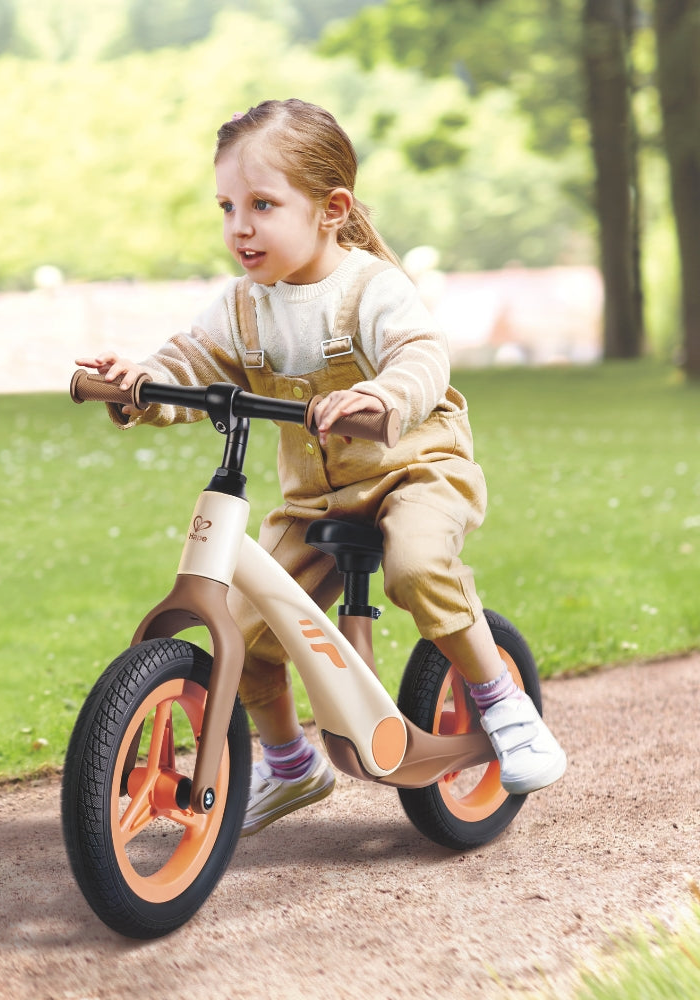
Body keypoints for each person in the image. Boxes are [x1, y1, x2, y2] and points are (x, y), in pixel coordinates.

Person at [76, 98, 566, 837]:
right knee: (246, 630)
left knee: (416, 564)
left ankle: (502, 703)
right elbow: (194, 360)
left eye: (263, 205)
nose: (240, 226)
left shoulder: (369, 289)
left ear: (331, 209)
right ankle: (291, 765)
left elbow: (421, 354)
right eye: (228, 206)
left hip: (415, 471)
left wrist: (382, 393)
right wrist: (142, 379)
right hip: (320, 500)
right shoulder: (245, 306)